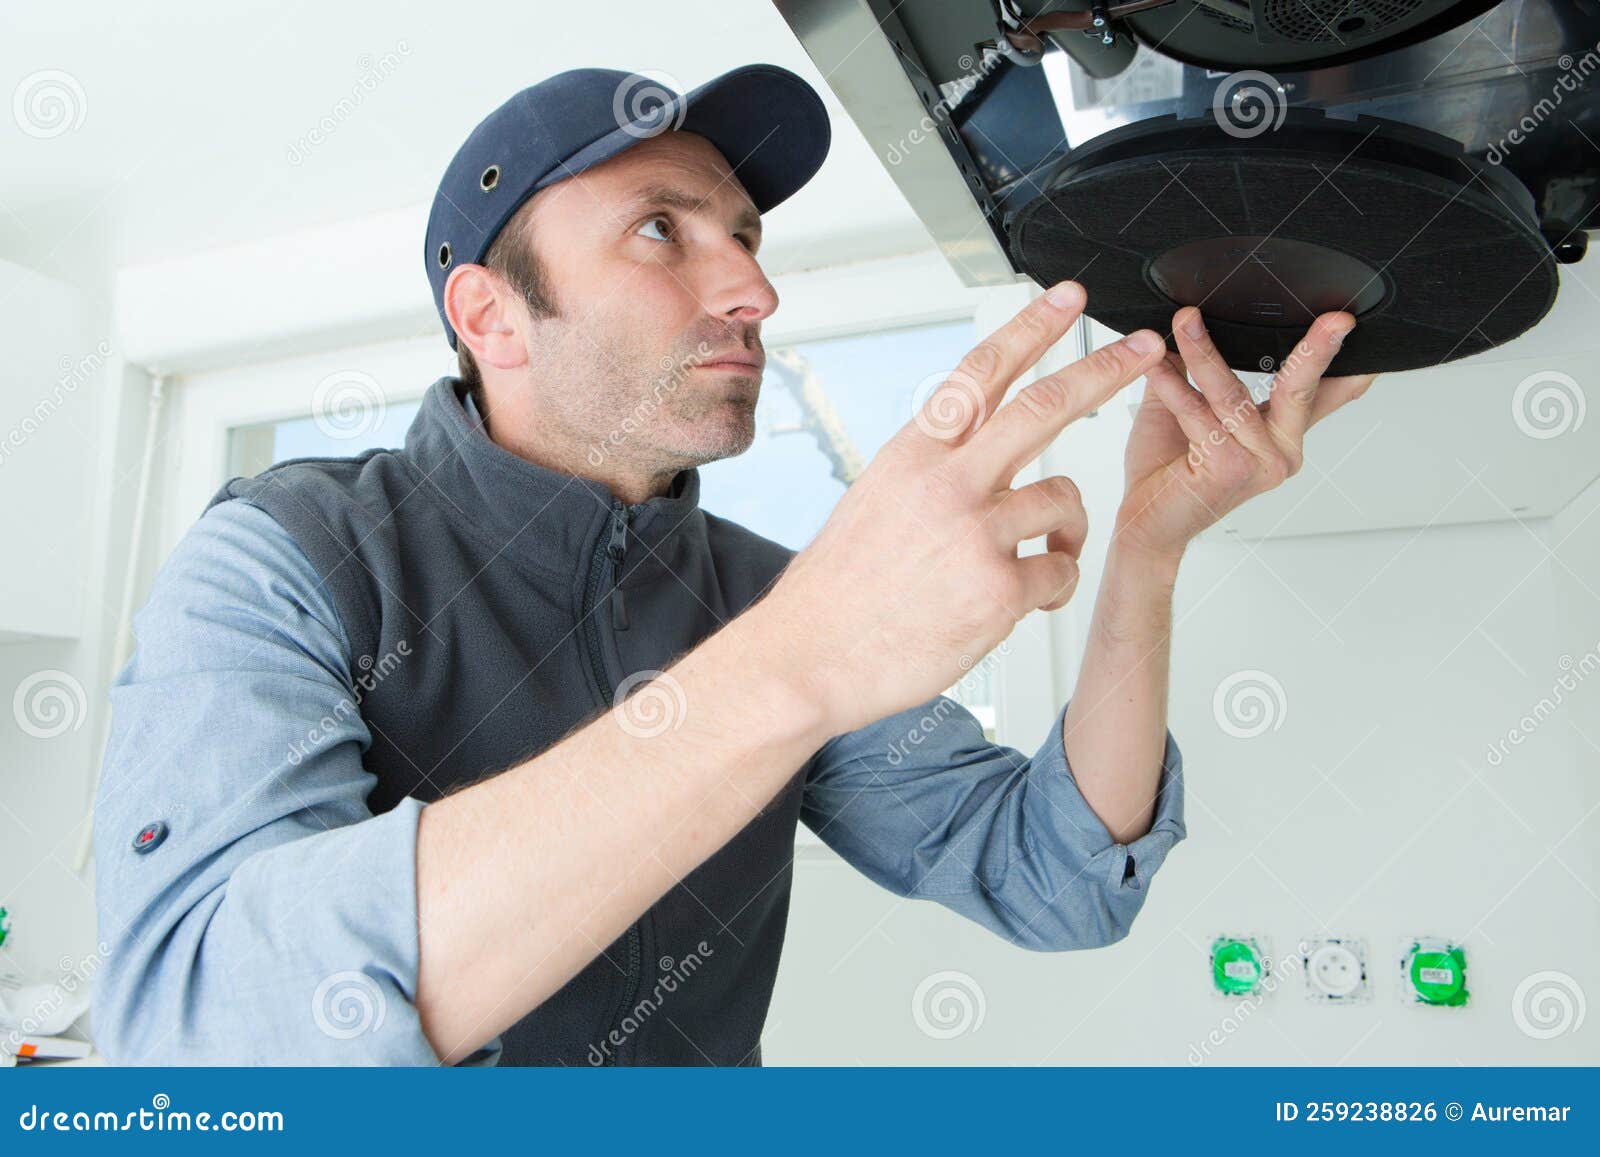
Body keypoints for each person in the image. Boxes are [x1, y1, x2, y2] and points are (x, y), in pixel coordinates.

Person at [91, 65, 1375, 1066]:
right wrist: (792, 665)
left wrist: (1146, 553)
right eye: (662, 228)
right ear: (490, 314)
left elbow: (1049, 877)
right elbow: (210, 1034)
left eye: (748, 237)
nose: (752, 288)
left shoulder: (763, 595)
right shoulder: (282, 558)